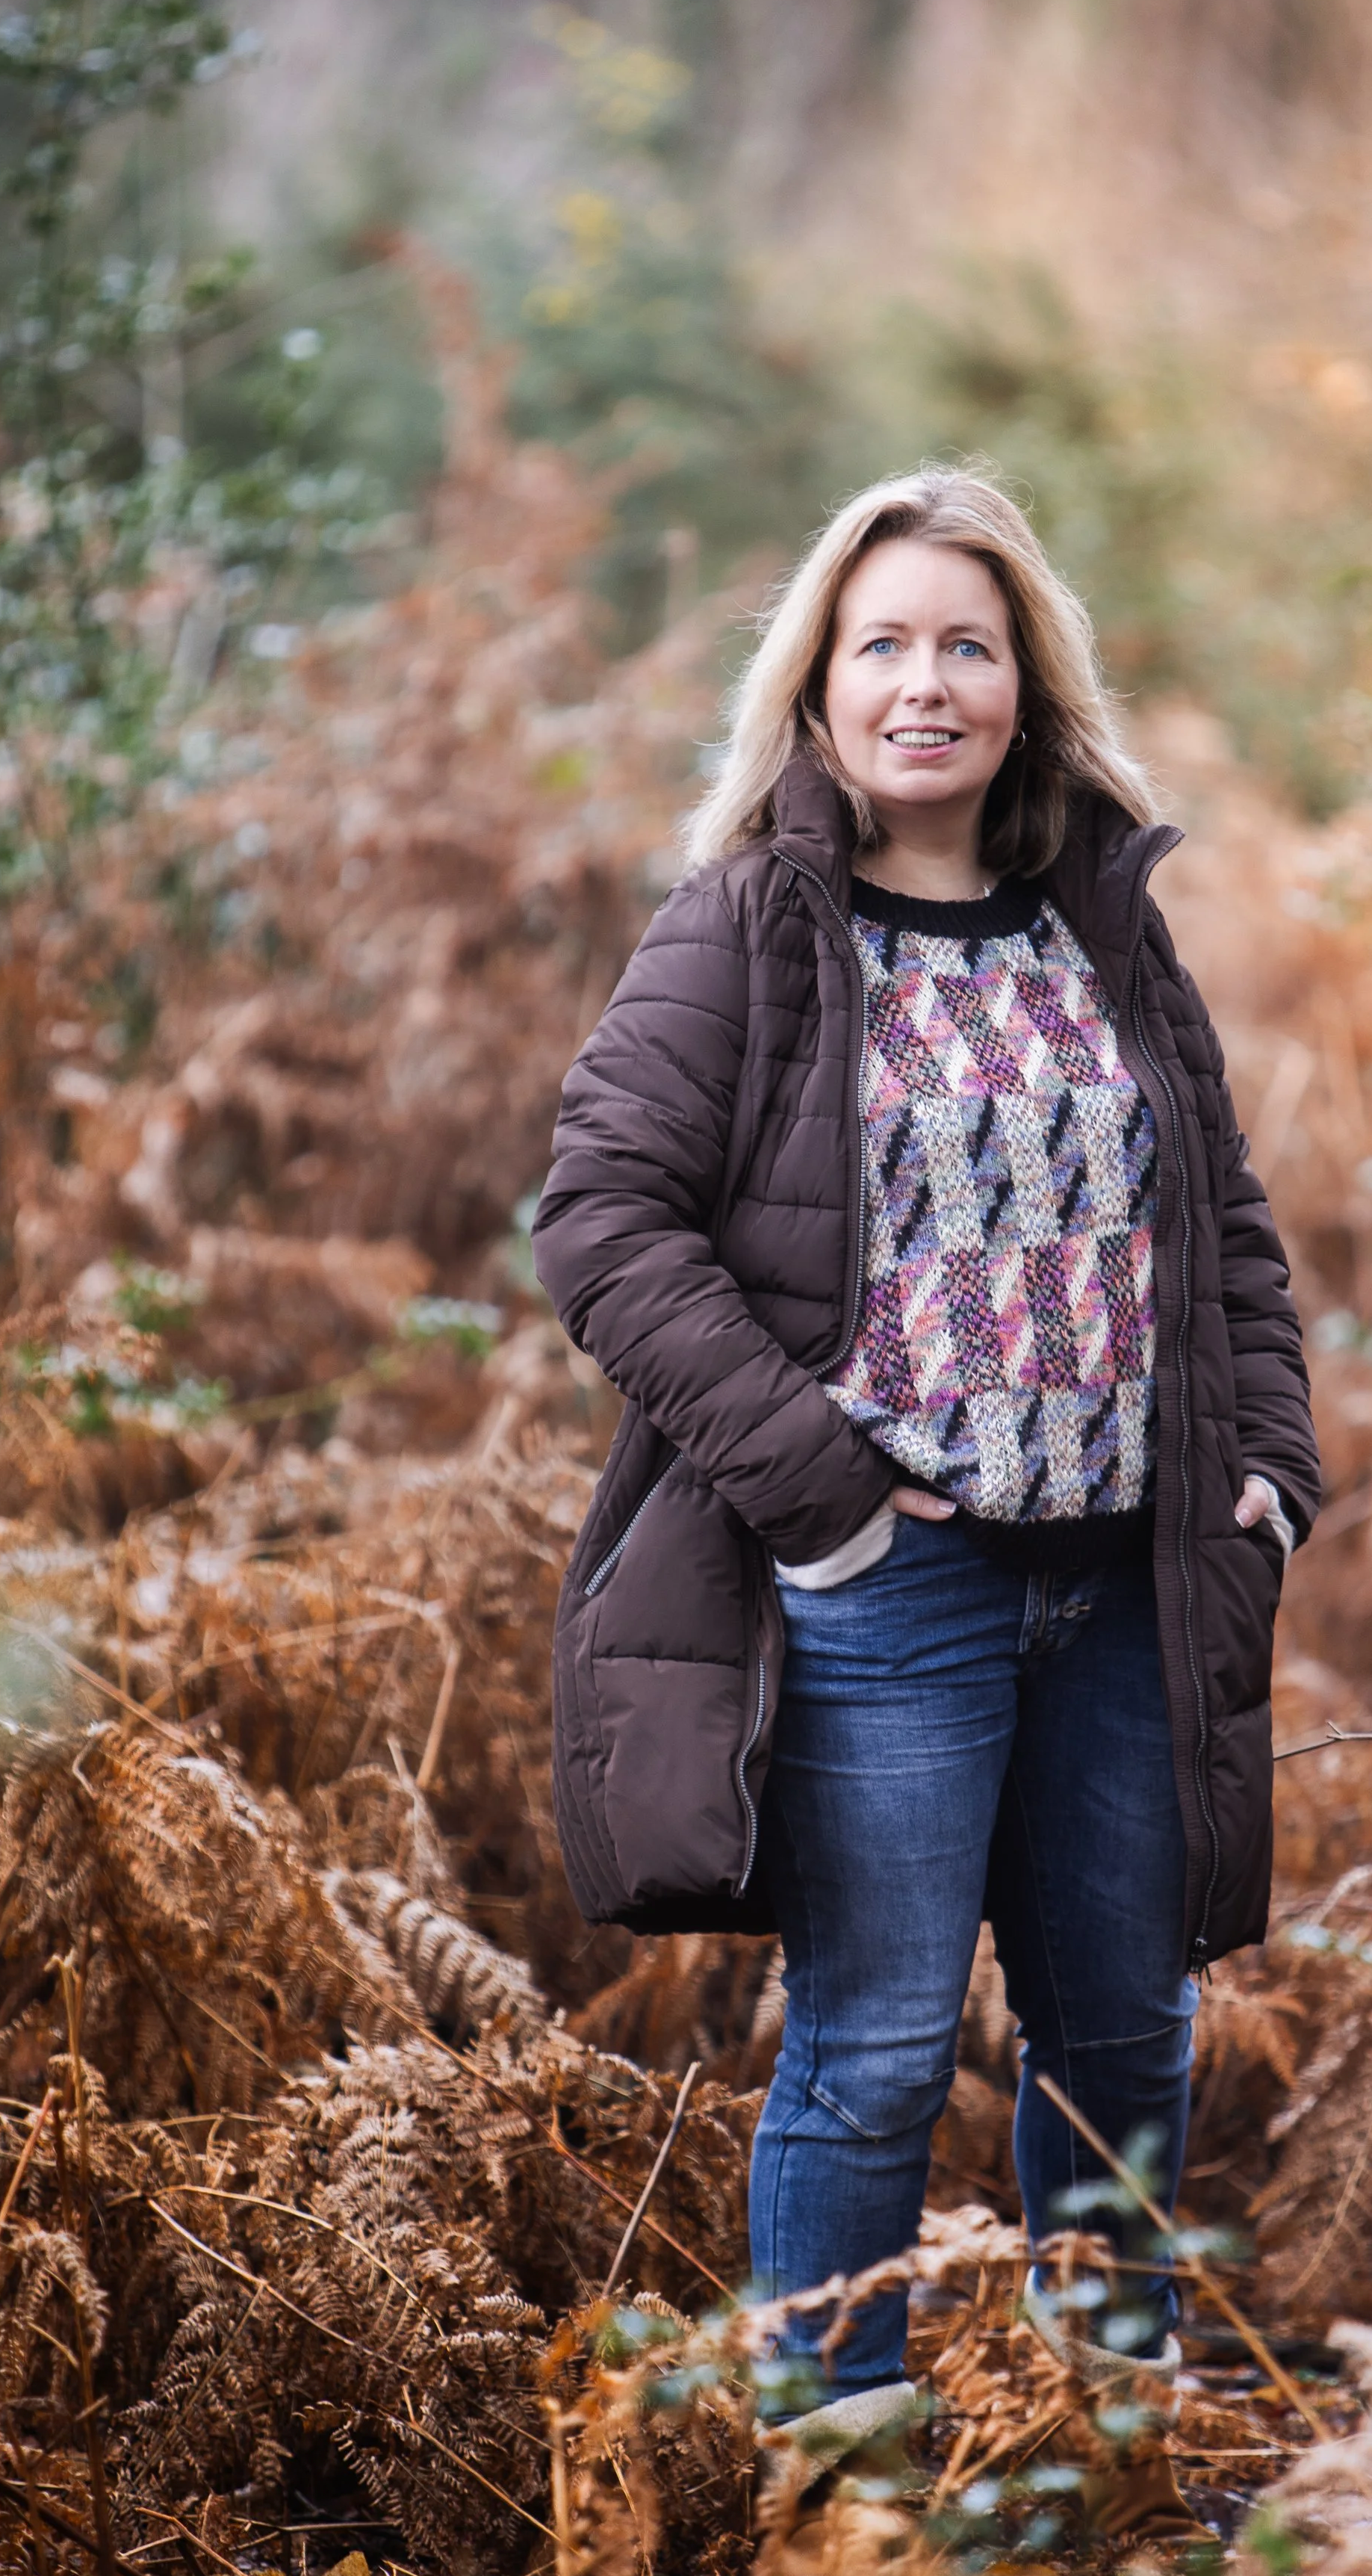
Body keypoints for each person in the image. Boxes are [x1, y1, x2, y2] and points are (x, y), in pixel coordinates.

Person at [533, 467, 1319, 2425]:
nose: (923, 683)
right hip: (891, 1592)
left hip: (1128, 1582)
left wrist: (1270, 1462)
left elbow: (1220, 1216)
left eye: (967, 644)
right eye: (880, 643)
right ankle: (840, 2469)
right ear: (816, 686)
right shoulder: (747, 929)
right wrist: (821, 1494)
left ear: (1024, 684)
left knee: (1123, 2035)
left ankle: (1097, 2440)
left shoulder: (1106, 927)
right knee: (877, 2048)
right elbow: (602, 1221)